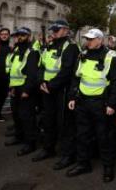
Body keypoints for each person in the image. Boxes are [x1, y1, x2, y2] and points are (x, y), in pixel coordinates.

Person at [67, 28, 116, 182]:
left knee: (105, 137)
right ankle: (83, 164)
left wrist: (112, 104)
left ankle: (108, 167)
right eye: (87, 39)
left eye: (91, 39)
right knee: (82, 135)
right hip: (83, 102)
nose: (88, 41)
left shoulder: (111, 57)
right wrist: (72, 97)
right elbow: (76, 77)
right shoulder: (82, 55)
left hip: (101, 103)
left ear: (100, 40)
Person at [32, 20, 80, 171]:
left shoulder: (71, 47)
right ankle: (48, 148)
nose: (53, 31)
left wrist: (50, 85)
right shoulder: (49, 46)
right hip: (47, 90)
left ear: (65, 30)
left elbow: (67, 71)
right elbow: (41, 65)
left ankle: (68, 155)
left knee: (65, 123)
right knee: (48, 120)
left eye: (56, 29)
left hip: (62, 91)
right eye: (52, 29)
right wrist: (41, 81)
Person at [4, 27, 41, 156]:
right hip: (16, 88)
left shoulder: (32, 52)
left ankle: (30, 143)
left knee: (27, 117)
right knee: (17, 115)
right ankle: (19, 136)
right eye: (17, 35)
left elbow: (32, 73)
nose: (19, 37)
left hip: (26, 89)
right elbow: (13, 70)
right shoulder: (16, 51)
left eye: (22, 35)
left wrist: (27, 90)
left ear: (28, 36)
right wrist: (12, 87)